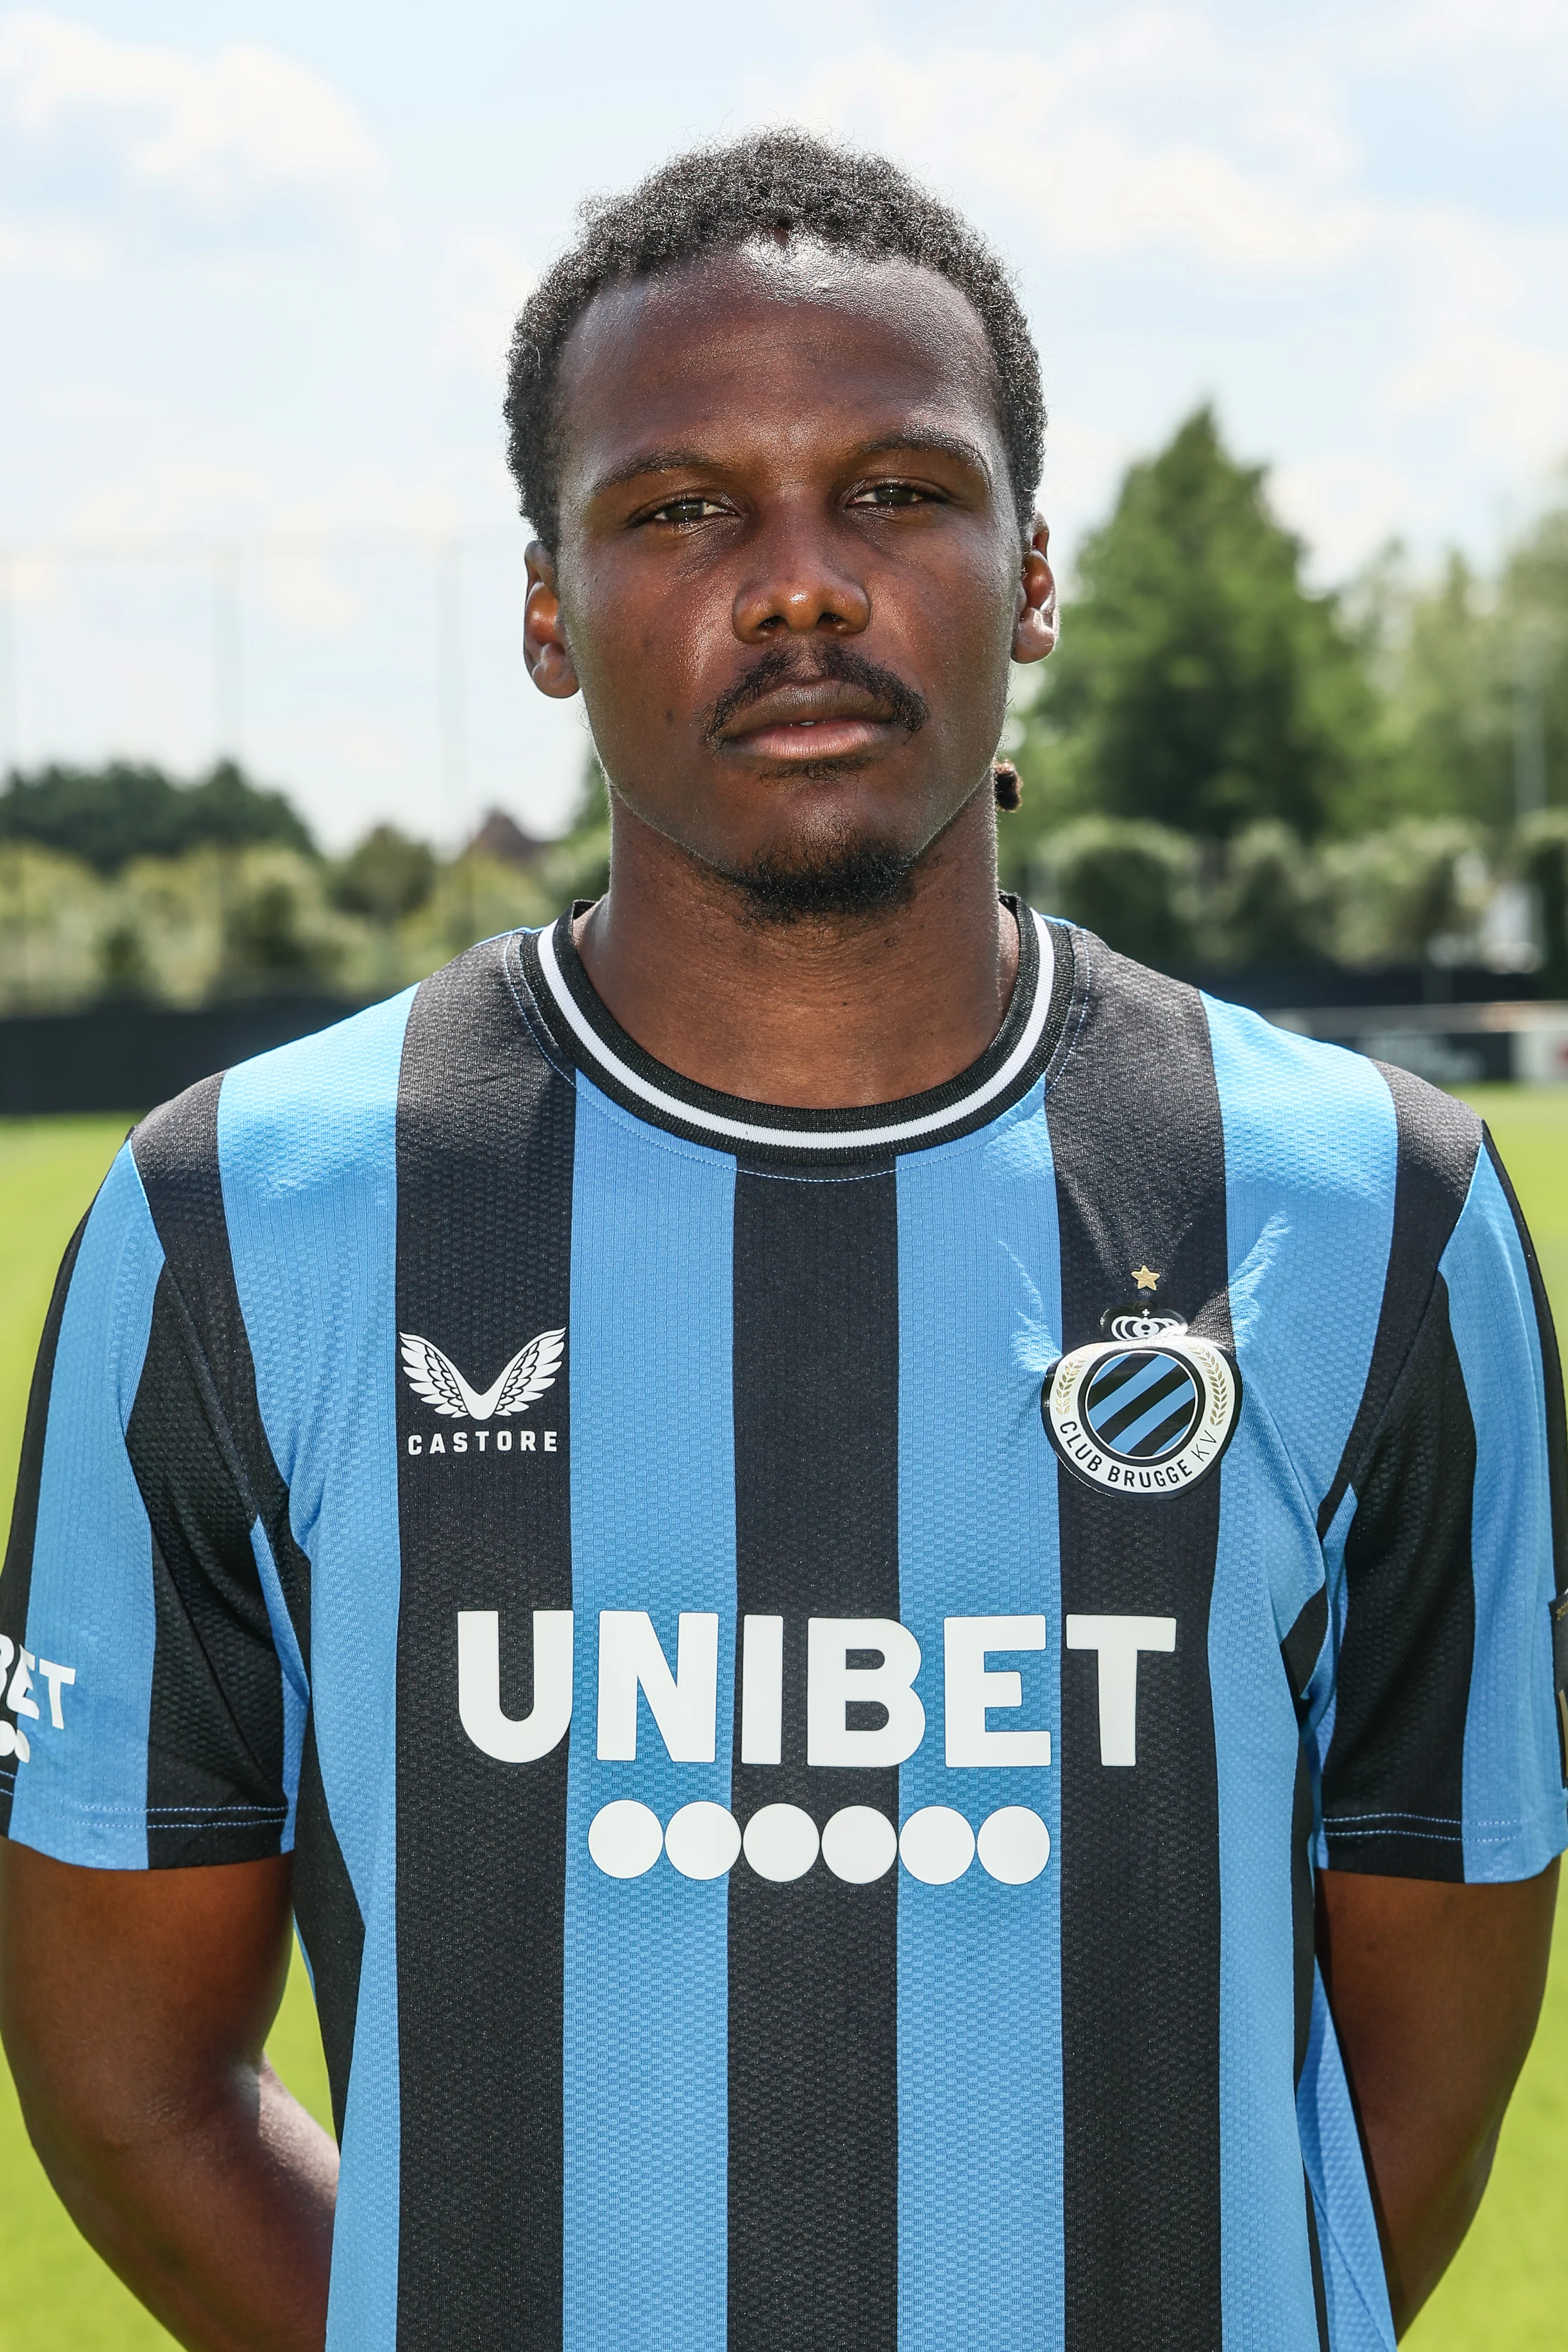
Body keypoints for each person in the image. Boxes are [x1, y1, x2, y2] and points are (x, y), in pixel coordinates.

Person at [1, 132, 1563, 2352]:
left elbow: (1422, 2073)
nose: (802, 583)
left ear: (1033, 579)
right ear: (547, 607)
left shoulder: (1377, 1216)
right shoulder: (233, 1222)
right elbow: (124, 2085)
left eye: (903, 492)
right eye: (682, 508)